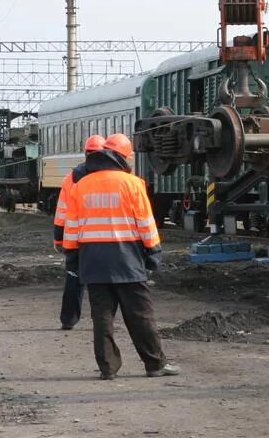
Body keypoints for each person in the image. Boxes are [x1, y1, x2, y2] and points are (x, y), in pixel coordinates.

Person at [63, 133, 180, 380]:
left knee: (102, 317)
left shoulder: (81, 185)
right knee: (140, 314)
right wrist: (153, 252)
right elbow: (146, 223)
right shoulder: (132, 183)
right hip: (126, 258)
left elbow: (71, 225)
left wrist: (71, 256)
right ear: (122, 158)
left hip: (92, 259)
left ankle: (108, 368)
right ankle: (155, 364)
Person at [53, 134, 105, 329]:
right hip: (107, 240)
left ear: (85, 153)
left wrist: (59, 239)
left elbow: (61, 213)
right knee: (103, 283)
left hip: (77, 239)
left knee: (74, 278)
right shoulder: (113, 179)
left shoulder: (71, 178)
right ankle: (102, 321)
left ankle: (69, 319)